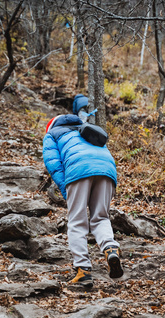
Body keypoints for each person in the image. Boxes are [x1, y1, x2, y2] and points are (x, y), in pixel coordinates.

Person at [42, 112, 123, 288]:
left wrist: (66, 190)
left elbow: (53, 164)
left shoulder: (52, 134)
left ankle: (83, 271)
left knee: (77, 221)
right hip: (107, 171)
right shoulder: (86, 129)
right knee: (101, 217)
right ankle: (110, 248)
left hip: (78, 171)